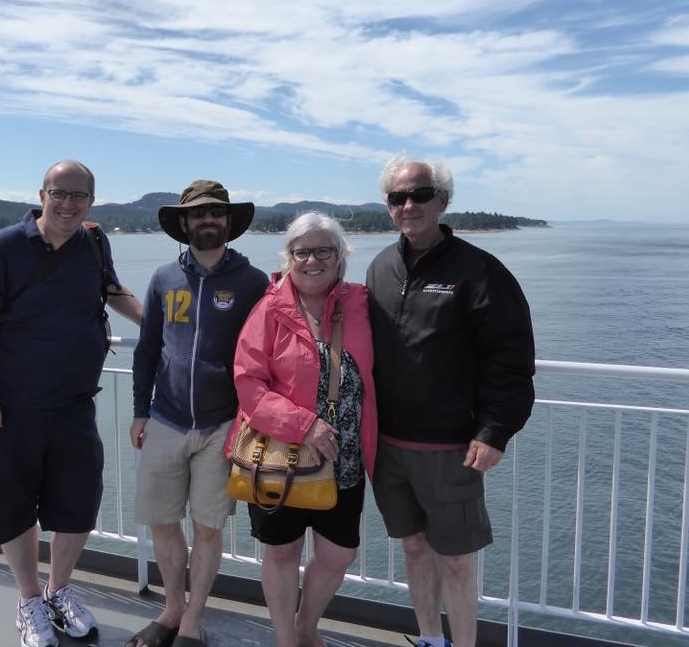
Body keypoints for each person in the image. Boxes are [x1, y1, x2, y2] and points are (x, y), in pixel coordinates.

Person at [0, 159, 142, 647]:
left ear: (92, 202)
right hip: (8, 405)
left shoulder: (94, 242)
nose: (69, 204)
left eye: (80, 196)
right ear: (42, 196)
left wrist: (159, 326)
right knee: (13, 507)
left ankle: (59, 591)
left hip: (74, 404)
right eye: (60, 194)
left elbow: (111, 290)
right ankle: (29, 599)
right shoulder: (4, 246)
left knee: (78, 504)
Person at [366, 156, 535, 647]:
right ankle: (429, 639)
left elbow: (511, 359)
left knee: (457, 561)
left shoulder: (479, 271)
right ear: (389, 206)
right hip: (389, 446)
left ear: (442, 200)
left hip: (451, 449)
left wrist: (494, 430)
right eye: (398, 197)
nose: (409, 205)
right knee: (414, 549)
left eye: (420, 194)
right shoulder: (380, 268)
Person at [226, 211, 377, 647]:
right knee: (282, 551)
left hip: (344, 456)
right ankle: (286, 639)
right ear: (288, 257)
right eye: (302, 252)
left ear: (340, 256)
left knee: (338, 553)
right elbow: (248, 382)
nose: (312, 261)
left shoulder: (361, 303)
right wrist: (303, 425)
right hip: (279, 456)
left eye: (323, 251)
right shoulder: (269, 309)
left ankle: (306, 625)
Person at [128, 180, 269, 647]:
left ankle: (193, 620)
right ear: (184, 223)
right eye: (198, 213)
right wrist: (140, 412)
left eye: (216, 213)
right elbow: (148, 349)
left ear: (228, 221)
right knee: (163, 522)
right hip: (165, 419)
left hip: (223, 425)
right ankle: (172, 609)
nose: (208, 220)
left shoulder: (252, 282)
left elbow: (265, 354)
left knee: (208, 527)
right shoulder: (163, 278)